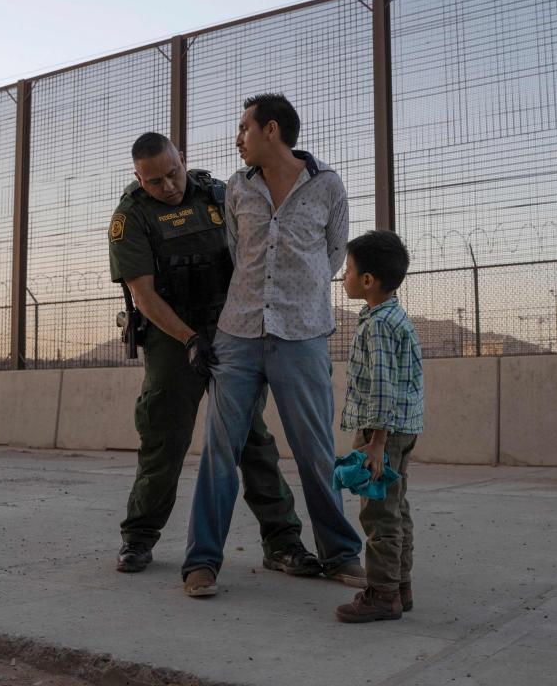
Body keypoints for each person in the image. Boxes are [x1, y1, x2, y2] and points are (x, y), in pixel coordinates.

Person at [108, 131, 319, 577]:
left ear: (182, 158)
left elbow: (253, 258)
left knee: (252, 440)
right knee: (165, 440)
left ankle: (283, 543)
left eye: (173, 173)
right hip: (172, 338)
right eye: (154, 182)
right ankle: (138, 538)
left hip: (230, 331)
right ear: (138, 178)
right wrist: (189, 340)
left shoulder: (219, 195)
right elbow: (144, 295)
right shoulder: (131, 216)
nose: (168, 186)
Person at [181, 93, 365, 598]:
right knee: (220, 451)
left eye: (244, 127)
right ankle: (202, 561)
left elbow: (331, 256)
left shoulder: (328, 185)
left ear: (272, 130)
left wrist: (294, 297)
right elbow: (238, 251)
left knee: (315, 450)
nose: (237, 138)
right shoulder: (238, 188)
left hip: (302, 335)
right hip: (238, 333)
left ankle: (340, 553)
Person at [332, 230, 424, 623]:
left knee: (378, 512)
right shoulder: (393, 316)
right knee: (395, 506)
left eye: (348, 270)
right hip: (402, 427)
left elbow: (383, 388)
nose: (344, 277)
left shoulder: (378, 326)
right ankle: (400, 587)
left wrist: (376, 442)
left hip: (381, 431)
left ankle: (382, 595)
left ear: (368, 280)